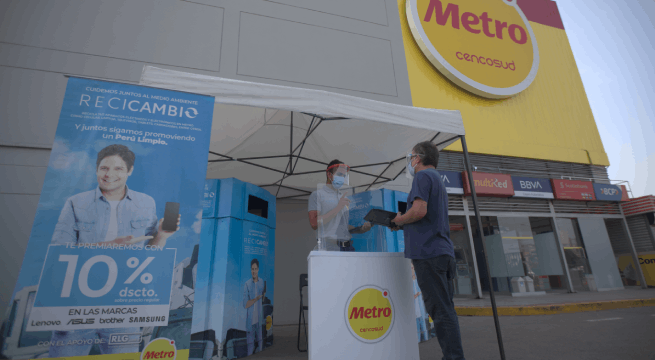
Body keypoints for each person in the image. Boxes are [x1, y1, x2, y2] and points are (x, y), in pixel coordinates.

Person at [48, 144, 180, 357]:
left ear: (129, 171)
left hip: (124, 303)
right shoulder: (75, 202)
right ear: (97, 169)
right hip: (78, 302)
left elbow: (149, 258)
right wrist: (110, 246)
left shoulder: (146, 203)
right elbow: (60, 252)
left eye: (118, 169)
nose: (109, 174)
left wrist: (161, 236)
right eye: (104, 168)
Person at [392, 142, 465, 360]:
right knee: (446, 309)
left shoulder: (422, 177)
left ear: (419, 158)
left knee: (440, 312)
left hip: (429, 253)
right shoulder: (437, 180)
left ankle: (454, 358)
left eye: (412, 156)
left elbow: (419, 210)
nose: (410, 160)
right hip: (440, 252)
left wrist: (398, 220)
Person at [307, 160, 372, 251]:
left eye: (344, 176)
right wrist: (338, 208)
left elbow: (343, 226)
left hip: (348, 247)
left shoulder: (342, 196)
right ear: (329, 175)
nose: (342, 178)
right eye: (340, 175)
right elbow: (314, 223)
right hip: (329, 247)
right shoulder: (317, 195)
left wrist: (361, 229)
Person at [243, 259, 265, 355]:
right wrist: (256, 298)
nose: (254, 271)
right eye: (252, 269)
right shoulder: (247, 284)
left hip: (259, 320)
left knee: (261, 344)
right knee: (250, 348)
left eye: (255, 269)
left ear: (258, 269)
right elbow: (246, 304)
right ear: (250, 269)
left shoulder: (262, 282)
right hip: (251, 321)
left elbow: (263, 299)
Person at [412, 263, 429, 342]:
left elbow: (423, 287)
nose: (411, 269)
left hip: (419, 302)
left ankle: (426, 338)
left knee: (422, 321)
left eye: (412, 267)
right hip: (414, 303)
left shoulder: (418, 278)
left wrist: (418, 293)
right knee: (416, 323)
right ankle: (418, 340)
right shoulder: (409, 280)